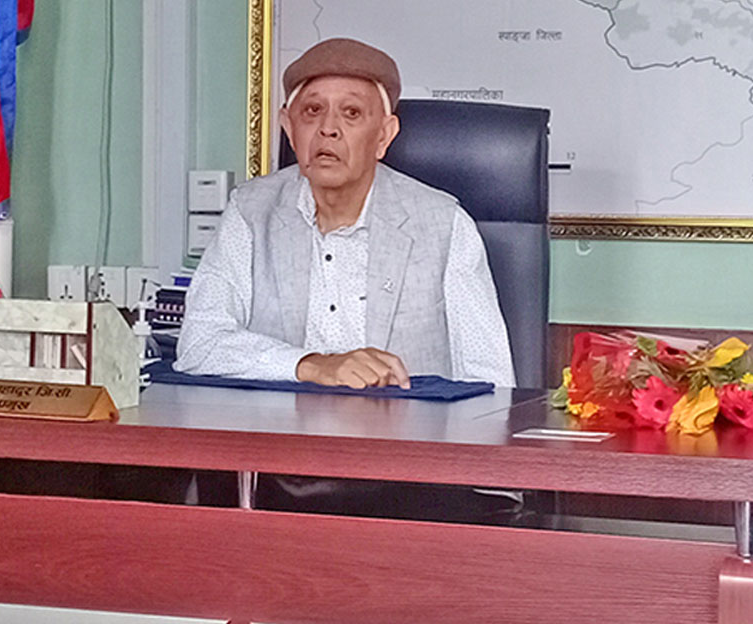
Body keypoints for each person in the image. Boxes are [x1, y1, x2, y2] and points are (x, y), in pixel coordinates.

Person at [172, 38, 518, 519]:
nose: (328, 129)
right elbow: (198, 345)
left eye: (351, 114)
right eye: (312, 111)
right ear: (289, 128)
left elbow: (492, 387)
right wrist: (312, 365)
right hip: (278, 480)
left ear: (384, 135)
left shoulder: (443, 224)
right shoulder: (249, 213)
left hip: (410, 485)